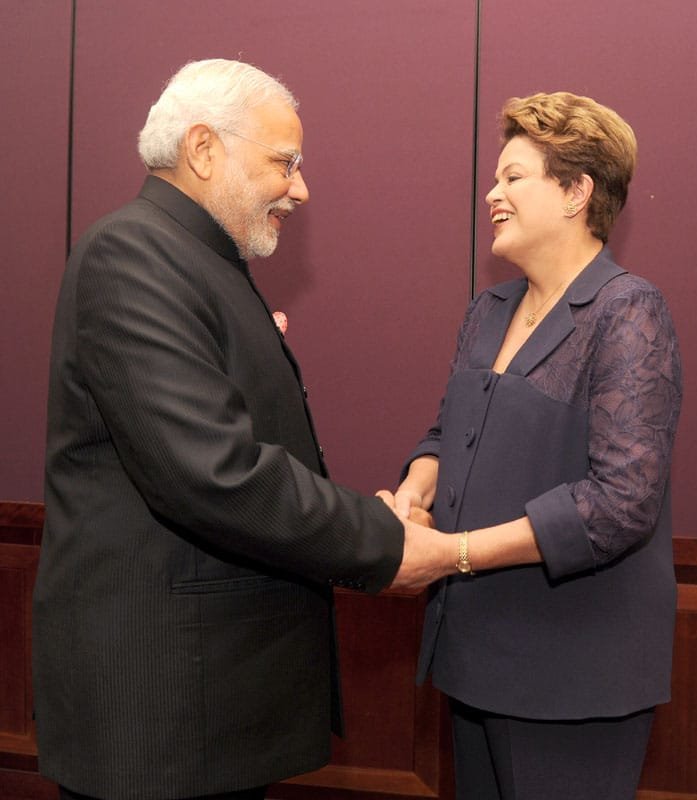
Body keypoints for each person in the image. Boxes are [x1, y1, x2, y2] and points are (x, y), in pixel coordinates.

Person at [32, 58, 433, 800]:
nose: (300, 188)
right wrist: (381, 541)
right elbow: (212, 472)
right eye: (285, 162)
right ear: (205, 149)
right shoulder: (133, 254)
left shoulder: (193, 260)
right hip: (161, 713)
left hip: (202, 709)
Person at [379, 92, 683, 799]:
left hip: (573, 672)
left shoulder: (626, 311)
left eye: (513, 177)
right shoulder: (487, 310)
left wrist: (450, 554)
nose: (492, 194)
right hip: (475, 654)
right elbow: (445, 432)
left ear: (577, 191)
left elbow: (619, 504)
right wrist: (412, 495)